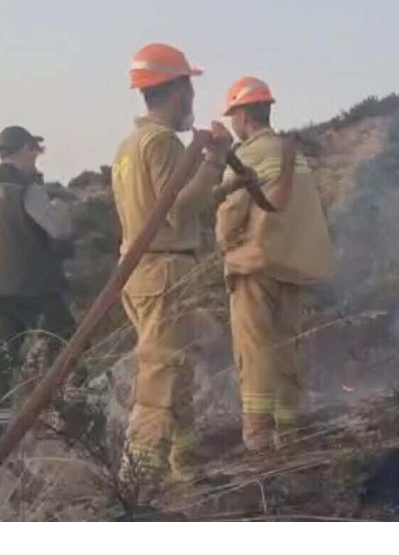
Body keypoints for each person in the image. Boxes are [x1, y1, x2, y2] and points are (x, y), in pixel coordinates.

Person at [111, 43, 230, 482]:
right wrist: (215, 160)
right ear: (177, 88)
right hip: (163, 269)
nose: (193, 100)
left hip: (139, 269)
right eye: (190, 89)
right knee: (159, 377)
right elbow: (178, 206)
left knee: (173, 366)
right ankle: (136, 483)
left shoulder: (129, 145)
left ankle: (186, 462)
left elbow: (154, 207)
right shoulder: (162, 142)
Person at [213, 76, 335, 452]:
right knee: (288, 347)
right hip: (293, 265)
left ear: (245, 115)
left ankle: (258, 439)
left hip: (255, 264)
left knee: (255, 352)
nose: (233, 122)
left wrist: (225, 243)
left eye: (234, 114)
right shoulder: (290, 154)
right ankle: (289, 430)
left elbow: (231, 214)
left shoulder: (249, 154)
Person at [0, 125, 76, 439]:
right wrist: (62, 213)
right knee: (68, 339)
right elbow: (56, 231)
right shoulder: (25, 187)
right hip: (31, 283)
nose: (38, 160)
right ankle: (62, 410)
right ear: (26, 149)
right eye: (36, 152)